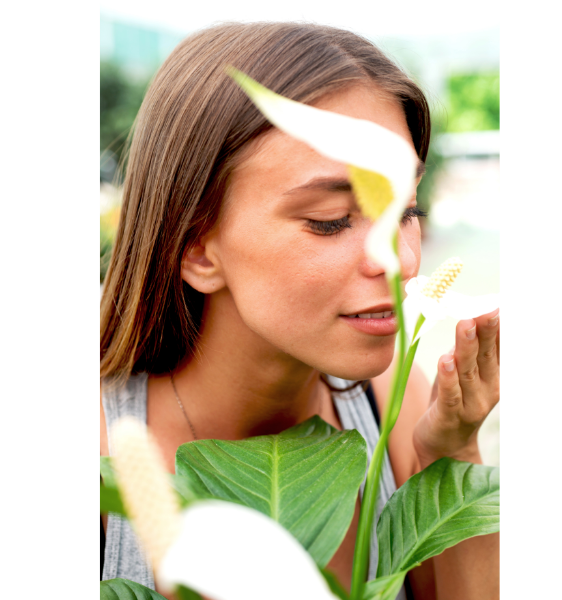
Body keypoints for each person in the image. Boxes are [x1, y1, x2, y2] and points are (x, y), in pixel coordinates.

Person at [100, 21, 500, 600]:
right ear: (195, 246)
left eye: (406, 211)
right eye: (331, 220)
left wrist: (449, 455)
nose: (403, 263)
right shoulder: (96, 455)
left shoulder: (390, 398)